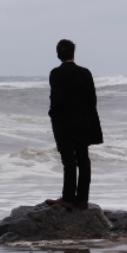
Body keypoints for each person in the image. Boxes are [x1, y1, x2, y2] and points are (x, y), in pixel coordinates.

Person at [45, 39, 103, 210]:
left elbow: (57, 100)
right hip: (83, 122)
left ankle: (68, 198)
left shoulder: (56, 74)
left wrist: (52, 114)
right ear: (73, 53)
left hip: (64, 123)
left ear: (58, 54)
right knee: (83, 159)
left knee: (69, 160)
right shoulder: (85, 73)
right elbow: (92, 100)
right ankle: (82, 199)